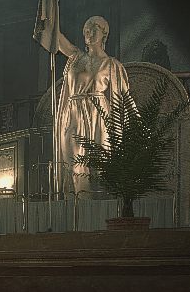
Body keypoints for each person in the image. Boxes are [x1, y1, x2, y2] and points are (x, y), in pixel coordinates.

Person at [53, 15, 133, 197]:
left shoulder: (111, 65)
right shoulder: (75, 57)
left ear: (104, 33)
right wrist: (49, 14)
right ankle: (78, 205)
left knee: (100, 163)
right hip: (73, 114)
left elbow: (124, 98)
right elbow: (56, 38)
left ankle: (101, 207)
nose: (88, 33)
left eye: (94, 29)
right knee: (73, 162)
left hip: (99, 115)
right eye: (86, 30)